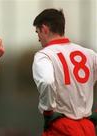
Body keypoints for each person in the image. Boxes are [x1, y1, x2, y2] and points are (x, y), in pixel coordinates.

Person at [32, 8, 97, 136]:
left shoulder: (44, 55)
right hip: (88, 128)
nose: (38, 38)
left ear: (44, 28)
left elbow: (47, 82)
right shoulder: (89, 54)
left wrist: (48, 112)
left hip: (62, 127)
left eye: (37, 32)